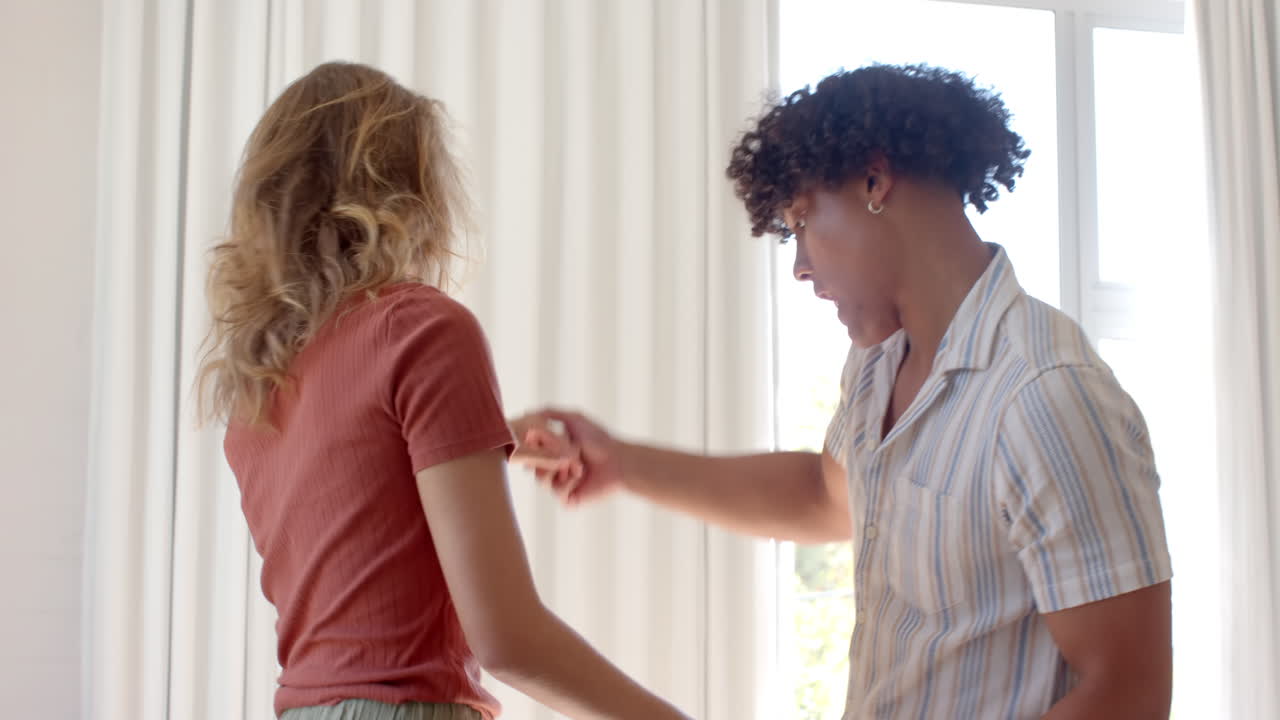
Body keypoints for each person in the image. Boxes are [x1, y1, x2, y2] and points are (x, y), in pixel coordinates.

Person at [514, 64, 1173, 719]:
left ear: (874, 180)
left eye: (802, 221)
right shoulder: (876, 363)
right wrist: (621, 464)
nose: (799, 265)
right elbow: (825, 496)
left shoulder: (1046, 394)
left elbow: (1126, 696)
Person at [197, 61, 689, 720]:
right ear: (413, 188)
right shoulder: (419, 328)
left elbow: (355, 488)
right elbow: (510, 641)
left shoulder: (255, 390)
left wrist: (488, 441)